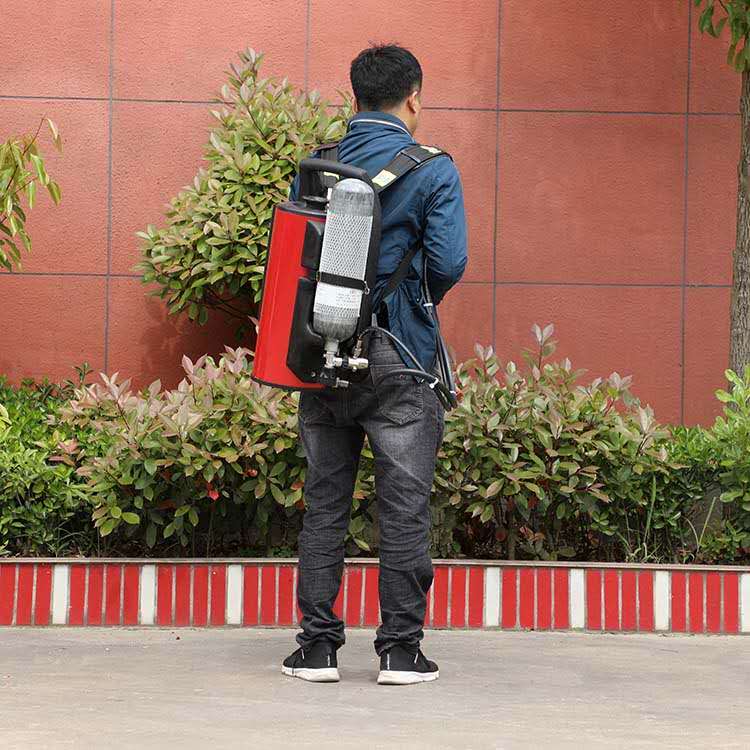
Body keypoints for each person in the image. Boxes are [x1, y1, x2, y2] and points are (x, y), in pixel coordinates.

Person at [282, 44, 467, 686]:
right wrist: (410, 303)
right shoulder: (432, 168)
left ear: (355, 96)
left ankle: (317, 650)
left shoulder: (318, 166)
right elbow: (448, 262)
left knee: (325, 502)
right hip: (400, 354)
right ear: (413, 97)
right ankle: (400, 653)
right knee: (405, 506)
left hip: (323, 350)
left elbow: (296, 255)